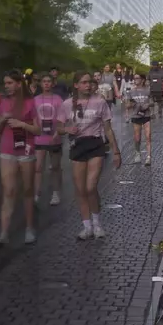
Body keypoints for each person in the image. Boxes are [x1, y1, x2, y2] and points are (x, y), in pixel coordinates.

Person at [57, 71, 121, 240]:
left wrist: (116, 151)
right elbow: (58, 127)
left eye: (89, 82)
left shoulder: (100, 102)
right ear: (76, 85)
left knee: (90, 187)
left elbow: (108, 129)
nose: (87, 85)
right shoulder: (66, 104)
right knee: (80, 190)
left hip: (95, 145)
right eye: (84, 82)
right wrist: (66, 129)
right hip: (77, 146)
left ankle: (97, 224)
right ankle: (87, 227)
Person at [0, 70, 41, 246]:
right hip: (7, 150)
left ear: (19, 84)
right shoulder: (4, 102)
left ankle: (29, 228)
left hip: (26, 150)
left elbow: (38, 130)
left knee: (27, 190)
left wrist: (21, 124)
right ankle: (3, 233)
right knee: (9, 190)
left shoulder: (30, 102)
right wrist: (2, 119)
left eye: (9, 83)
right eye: (5, 84)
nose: (6, 87)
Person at [34, 74, 63, 206]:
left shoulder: (58, 99)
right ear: (40, 83)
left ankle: (56, 192)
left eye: (48, 81)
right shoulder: (35, 100)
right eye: (44, 81)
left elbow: (62, 119)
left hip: (54, 137)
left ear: (53, 84)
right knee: (38, 167)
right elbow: (33, 119)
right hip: (39, 138)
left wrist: (57, 134)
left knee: (55, 167)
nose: (46, 84)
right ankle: (36, 192)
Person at [126, 73, 153, 165]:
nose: (135, 80)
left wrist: (148, 105)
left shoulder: (148, 90)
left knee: (148, 136)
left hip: (146, 115)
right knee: (137, 137)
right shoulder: (131, 91)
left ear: (142, 80)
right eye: (134, 78)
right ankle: (137, 154)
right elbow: (127, 105)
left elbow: (152, 102)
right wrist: (132, 105)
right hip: (136, 116)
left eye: (137, 78)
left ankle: (149, 157)